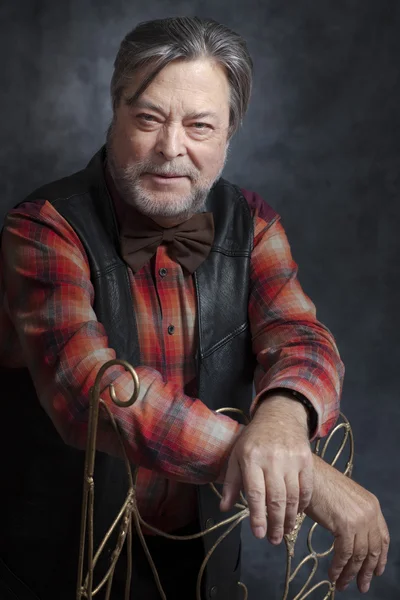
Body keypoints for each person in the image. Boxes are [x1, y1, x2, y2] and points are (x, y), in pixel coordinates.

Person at [0, 16, 389, 600]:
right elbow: (91, 393)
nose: (170, 148)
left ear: (229, 134)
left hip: (205, 563)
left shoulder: (253, 223)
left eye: (200, 126)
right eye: (149, 118)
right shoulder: (41, 228)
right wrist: (299, 477)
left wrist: (283, 421)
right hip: (57, 565)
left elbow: (303, 339)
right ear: (115, 111)